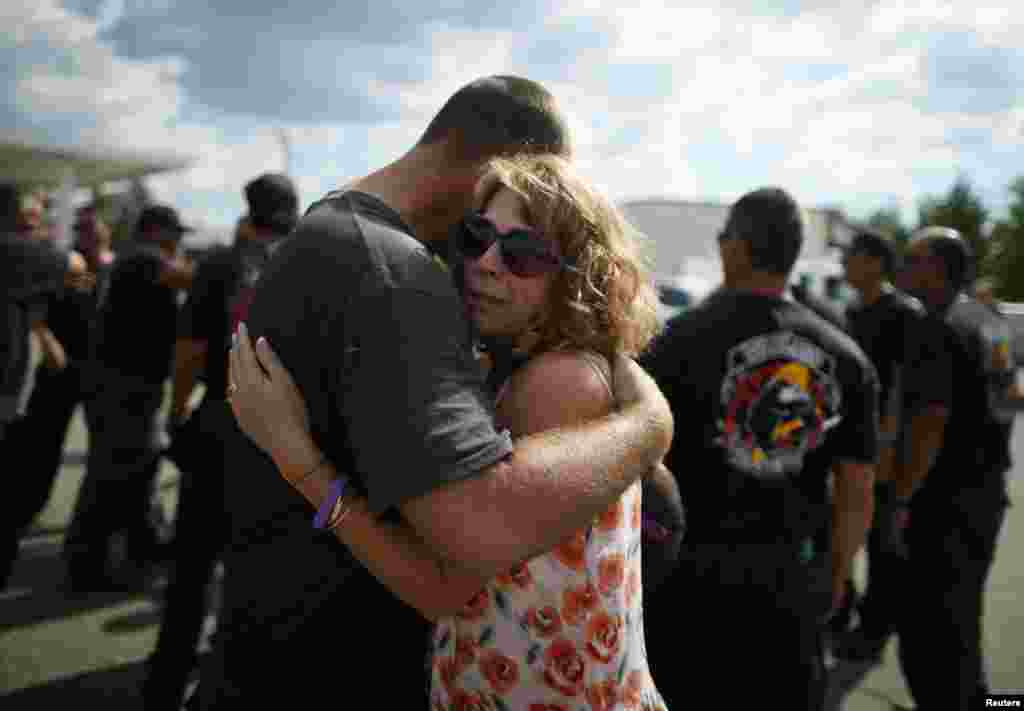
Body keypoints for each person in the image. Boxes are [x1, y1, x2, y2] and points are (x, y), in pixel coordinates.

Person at [192, 76, 673, 710]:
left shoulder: (558, 377)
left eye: (525, 253)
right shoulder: (397, 273)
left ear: (576, 275)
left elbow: (460, 562)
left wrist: (651, 423)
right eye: (477, 237)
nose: (483, 263)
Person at [640, 188, 878, 711]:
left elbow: (636, 469)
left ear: (735, 248)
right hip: (790, 582)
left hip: (687, 586)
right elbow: (856, 492)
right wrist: (836, 575)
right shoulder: (847, 358)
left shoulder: (669, 343)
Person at [142, 174, 300, 711]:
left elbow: (189, 350)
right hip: (280, 439)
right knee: (256, 575)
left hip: (218, 424)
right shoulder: (304, 268)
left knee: (191, 570)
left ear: (247, 209)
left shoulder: (218, 264)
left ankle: (166, 685)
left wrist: (176, 409)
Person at [894, 227, 1018, 710]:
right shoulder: (989, 320)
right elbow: (1009, 396)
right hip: (986, 492)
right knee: (962, 618)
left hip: (942, 502)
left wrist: (903, 497)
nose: (903, 268)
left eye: (912, 258)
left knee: (930, 633)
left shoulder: (938, 326)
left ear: (936, 268)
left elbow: (929, 423)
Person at [62, 204, 195, 592]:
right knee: (111, 473)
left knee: (136, 468)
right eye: (174, 233)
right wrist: (228, 267)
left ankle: (141, 545)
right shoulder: (142, 258)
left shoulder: (136, 260)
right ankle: (85, 563)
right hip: (123, 386)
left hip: (125, 384)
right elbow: (186, 277)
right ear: (155, 231)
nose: (179, 242)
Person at [833, 228, 949, 664]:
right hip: (848, 446)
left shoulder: (904, 314)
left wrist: (888, 450)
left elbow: (907, 389)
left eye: (853, 256)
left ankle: (873, 633)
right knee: (839, 535)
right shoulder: (852, 311)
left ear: (876, 263)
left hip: (882, 452)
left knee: (884, 546)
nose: (845, 263)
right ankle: (842, 611)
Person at [0, 207, 115, 590]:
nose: (89, 234)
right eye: (83, 228)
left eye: (94, 228)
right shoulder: (57, 265)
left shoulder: (111, 268)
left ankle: (93, 534)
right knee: (39, 448)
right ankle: (23, 513)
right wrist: (46, 339)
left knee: (105, 454)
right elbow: (33, 304)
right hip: (59, 372)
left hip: (99, 375)